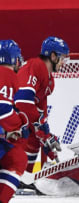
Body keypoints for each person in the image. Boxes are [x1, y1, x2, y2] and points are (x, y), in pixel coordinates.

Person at [14, 36, 69, 173]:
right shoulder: (36, 66)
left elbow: (40, 111)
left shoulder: (50, 81)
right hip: (8, 111)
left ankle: (23, 176)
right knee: (22, 132)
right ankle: (12, 172)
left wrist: (45, 136)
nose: (63, 62)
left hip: (18, 113)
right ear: (52, 56)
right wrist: (41, 127)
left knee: (34, 138)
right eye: (62, 58)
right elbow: (22, 101)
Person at [0, 40, 30, 203]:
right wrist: (18, 126)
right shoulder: (5, 74)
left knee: (15, 157)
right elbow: (2, 108)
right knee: (16, 158)